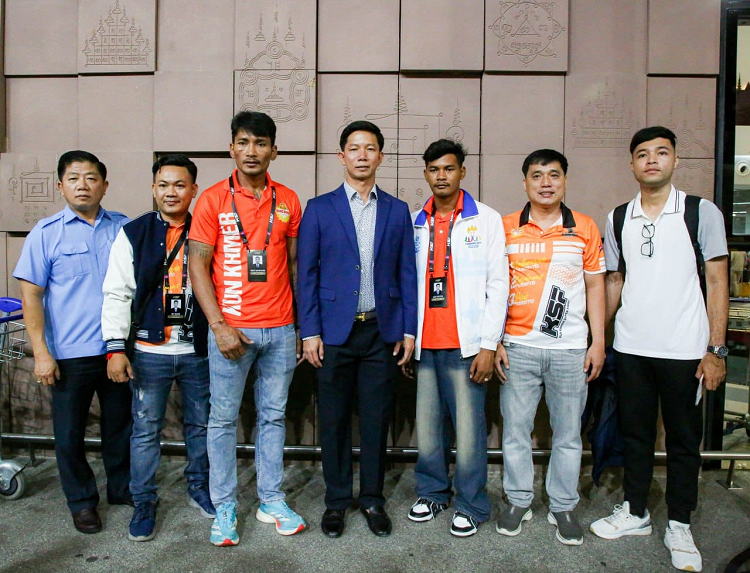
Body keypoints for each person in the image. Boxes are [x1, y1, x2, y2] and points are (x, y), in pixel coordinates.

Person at [590, 126, 728, 573]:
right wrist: (598, 338)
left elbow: (718, 281)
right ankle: (636, 511)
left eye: (661, 152)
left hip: (685, 349)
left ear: (675, 160)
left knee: (684, 440)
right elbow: (614, 281)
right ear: (632, 165)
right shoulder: (618, 217)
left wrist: (716, 350)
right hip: (632, 348)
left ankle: (680, 523)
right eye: (643, 154)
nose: (652, 160)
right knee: (635, 435)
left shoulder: (700, 212)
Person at [189, 111, 305, 547]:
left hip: (280, 329)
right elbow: (198, 266)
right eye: (243, 142)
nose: (251, 151)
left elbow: (294, 266)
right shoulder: (212, 200)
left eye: (260, 143)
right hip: (232, 331)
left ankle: (271, 500)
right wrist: (219, 326)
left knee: (273, 417)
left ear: (274, 150)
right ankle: (224, 506)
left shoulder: (288, 200)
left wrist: (299, 326)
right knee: (222, 420)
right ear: (231, 148)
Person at [297, 120, 418, 538]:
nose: (362, 155)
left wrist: (408, 330)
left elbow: (407, 274)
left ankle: (371, 499)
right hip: (333, 333)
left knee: (375, 421)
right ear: (341, 156)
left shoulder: (397, 210)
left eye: (370, 148)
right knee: (332, 421)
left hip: (381, 332)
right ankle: (335, 502)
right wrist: (309, 331)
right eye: (354, 148)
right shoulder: (319, 208)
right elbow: (306, 274)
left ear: (380, 156)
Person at [13, 151, 131, 533]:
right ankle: (82, 502)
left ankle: (122, 489)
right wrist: (41, 353)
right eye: (74, 178)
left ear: (104, 186)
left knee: (121, 427)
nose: (83, 185)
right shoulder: (46, 233)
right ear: (60, 186)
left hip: (117, 349)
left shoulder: (124, 228)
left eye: (91, 178)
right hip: (69, 354)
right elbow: (30, 295)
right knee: (68, 434)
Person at [495, 149, 606, 546]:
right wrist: (495, 341)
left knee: (569, 434)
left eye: (554, 175)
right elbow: (494, 286)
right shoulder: (505, 227)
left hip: (571, 350)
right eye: (537, 175)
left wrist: (598, 342)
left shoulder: (585, 228)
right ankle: (518, 501)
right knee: (515, 432)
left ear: (565, 181)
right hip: (517, 347)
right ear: (525, 182)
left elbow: (596, 286)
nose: (546, 183)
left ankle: (563, 506)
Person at [101, 154, 213, 542]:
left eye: (180, 185)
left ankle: (200, 487)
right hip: (150, 351)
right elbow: (117, 292)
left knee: (201, 424)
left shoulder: (207, 228)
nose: (171, 192)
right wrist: (116, 348)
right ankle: (144, 500)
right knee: (146, 429)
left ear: (194, 189)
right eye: (163, 185)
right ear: (153, 189)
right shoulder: (134, 233)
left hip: (198, 349)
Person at [407, 139, 508, 537]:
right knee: (428, 429)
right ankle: (432, 492)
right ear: (426, 174)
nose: (441, 176)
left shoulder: (486, 219)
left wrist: (488, 344)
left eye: (449, 169)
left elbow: (499, 285)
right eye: (434, 169)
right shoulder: (416, 222)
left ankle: (471, 504)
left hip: (467, 345)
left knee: (468, 434)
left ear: (462, 172)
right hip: (425, 344)